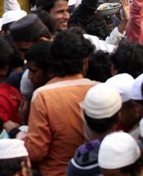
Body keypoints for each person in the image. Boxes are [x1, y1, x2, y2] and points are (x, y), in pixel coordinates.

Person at [24, 30, 97, 176]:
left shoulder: (43, 96)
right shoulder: (99, 89)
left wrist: (18, 134)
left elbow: (37, 151)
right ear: (85, 62)